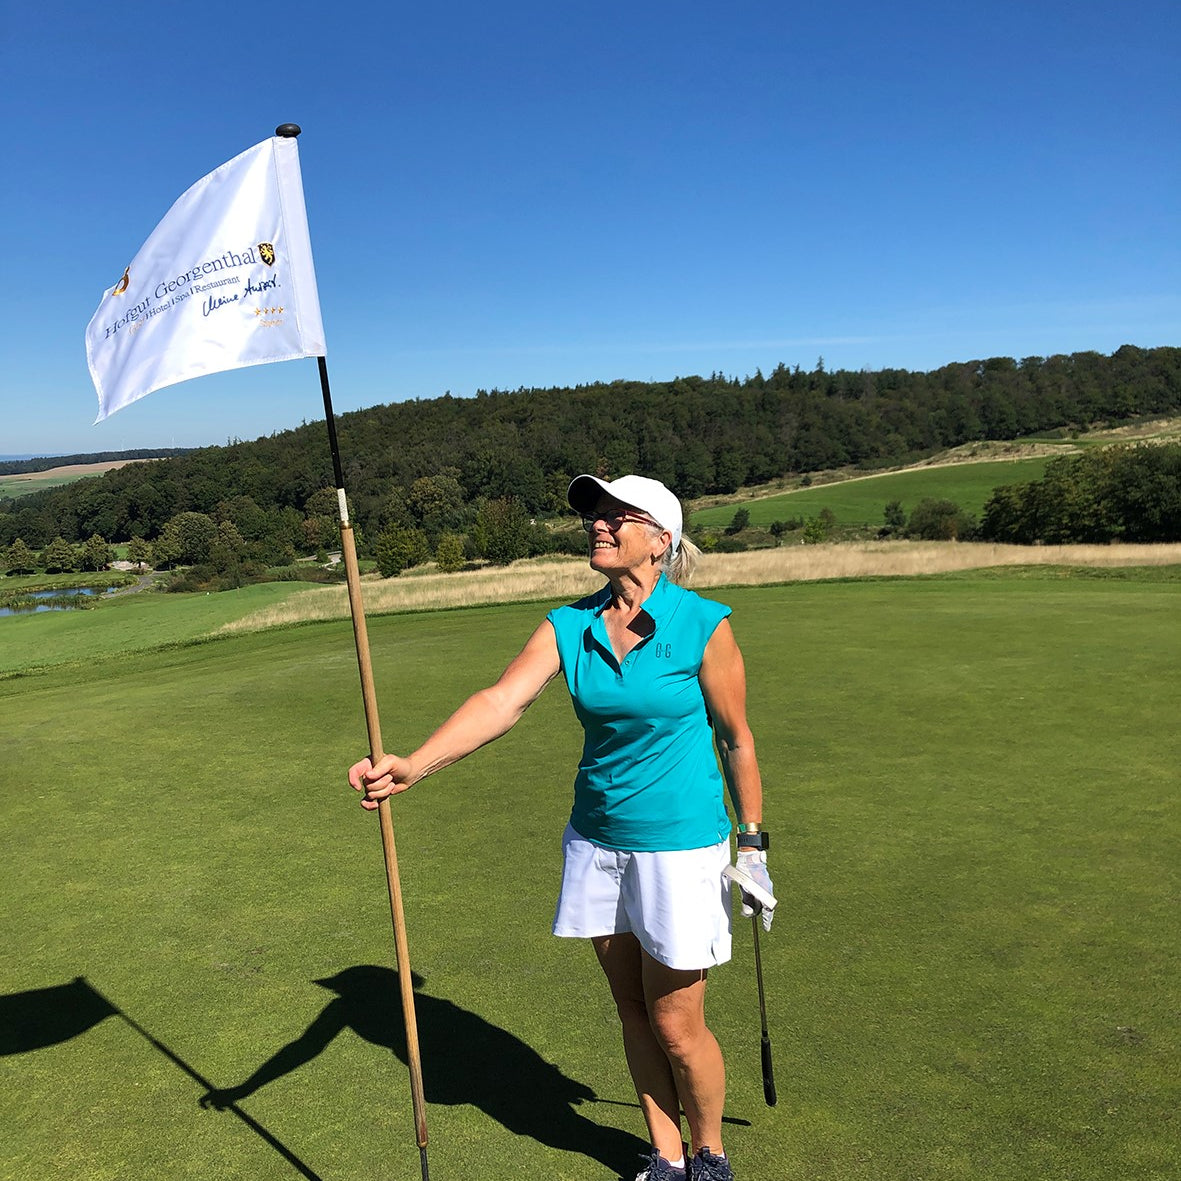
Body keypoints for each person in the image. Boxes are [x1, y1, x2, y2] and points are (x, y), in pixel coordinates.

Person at [348, 474, 773, 1181]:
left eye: (615, 516)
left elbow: (736, 740)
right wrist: (414, 764)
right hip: (597, 840)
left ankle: (710, 1154)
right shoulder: (567, 625)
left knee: (675, 1023)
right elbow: (501, 700)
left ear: (660, 539)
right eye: (593, 516)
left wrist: (752, 842)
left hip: (680, 846)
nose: (597, 525)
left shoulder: (704, 624)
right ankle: (664, 1155)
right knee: (632, 1009)